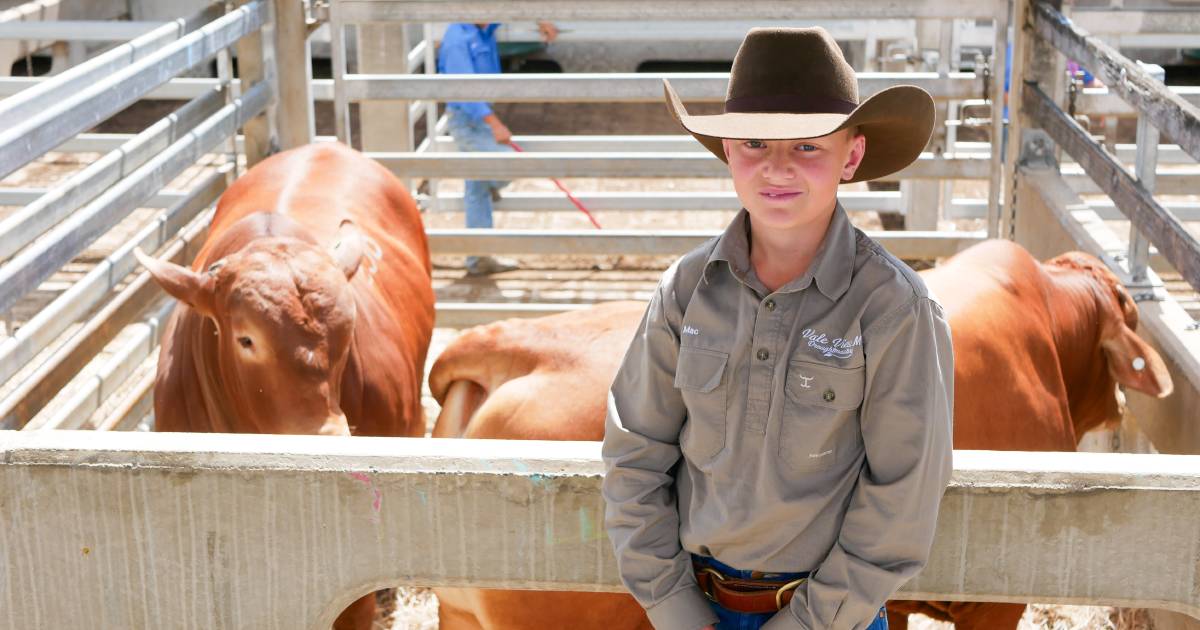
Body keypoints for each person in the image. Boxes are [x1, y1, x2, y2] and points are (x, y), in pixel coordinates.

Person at [602, 27, 954, 630]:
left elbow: (905, 491)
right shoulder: (687, 290)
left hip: (826, 613)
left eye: (809, 146)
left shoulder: (892, 307)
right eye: (755, 142)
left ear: (852, 156)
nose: (777, 167)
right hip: (694, 603)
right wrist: (669, 601)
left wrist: (812, 621)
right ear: (728, 152)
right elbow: (634, 450)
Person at [436, 21, 558, 276]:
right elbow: (463, 90)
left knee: (476, 188)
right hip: (468, 120)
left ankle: (479, 258)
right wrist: (494, 124)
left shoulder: (486, 27)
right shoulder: (458, 39)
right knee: (505, 167)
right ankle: (492, 183)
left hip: (479, 118)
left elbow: (517, 11)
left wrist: (540, 22)